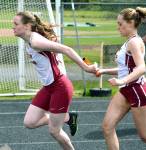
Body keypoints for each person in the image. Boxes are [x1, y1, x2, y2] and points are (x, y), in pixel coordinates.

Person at [13, 11, 97, 150]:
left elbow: (67, 49)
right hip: (48, 87)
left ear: (27, 26)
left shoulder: (36, 42)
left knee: (54, 131)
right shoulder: (30, 40)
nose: (13, 27)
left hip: (60, 87)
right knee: (29, 122)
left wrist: (86, 68)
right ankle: (68, 118)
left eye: (16, 24)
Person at [97, 7, 146, 150]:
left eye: (121, 24)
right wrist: (104, 71)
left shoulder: (134, 42)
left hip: (137, 90)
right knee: (107, 127)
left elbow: (141, 68)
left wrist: (122, 81)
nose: (118, 27)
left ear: (131, 23)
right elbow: (125, 69)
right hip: (125, 90)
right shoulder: (129, 42)